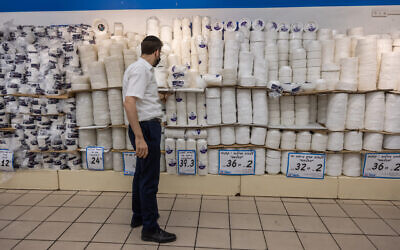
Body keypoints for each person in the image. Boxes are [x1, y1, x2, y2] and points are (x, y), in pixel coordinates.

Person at [123, 35, 176, 243]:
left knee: (141, 174)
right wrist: (140, 137)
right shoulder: (142, 70)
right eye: (160, 53)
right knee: (149, 179)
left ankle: (139, 216)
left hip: (144, 125)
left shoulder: (136, 68)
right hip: (145, 128)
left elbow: (138, 99)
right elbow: (129, 103)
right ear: (156, 52)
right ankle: (150, 228)